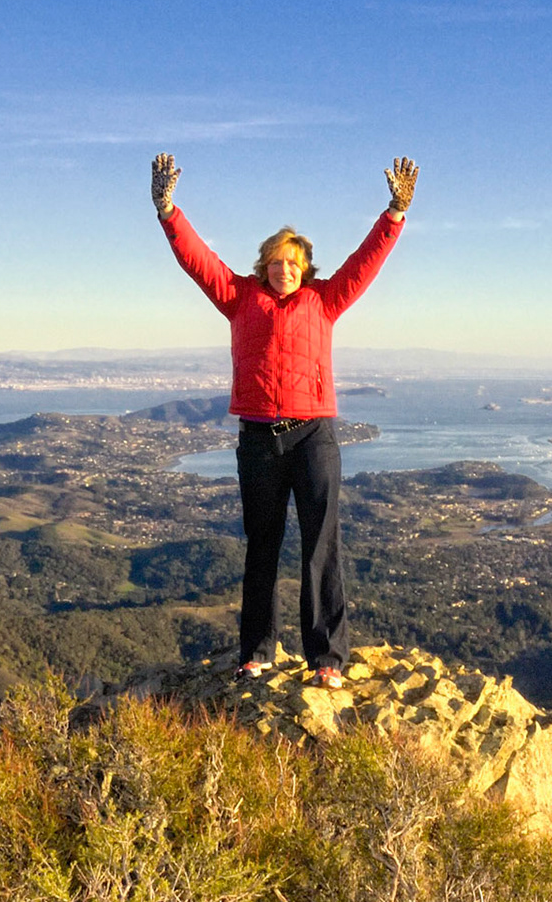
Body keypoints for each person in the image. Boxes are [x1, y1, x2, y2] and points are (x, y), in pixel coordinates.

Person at [152, 152, 417, 687]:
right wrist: (167, 210)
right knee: (262, 546)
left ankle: (327, 659)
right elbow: (197, 260)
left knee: (322, 544)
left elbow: (365, 262)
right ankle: (257, 651)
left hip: (314, 435)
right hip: (257, 439)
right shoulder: (238, 298)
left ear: (306, 268)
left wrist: (393, 214)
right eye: (276, 260)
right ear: (263, 265)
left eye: (293, 262)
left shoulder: (325, 300)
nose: (285, 268)